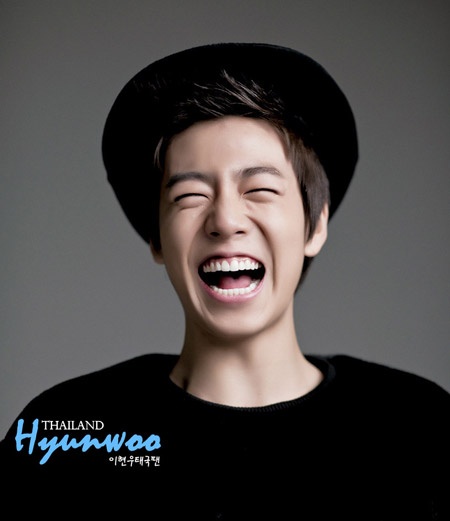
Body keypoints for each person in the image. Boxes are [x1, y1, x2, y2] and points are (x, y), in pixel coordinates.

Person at [1, 43, 449, 520]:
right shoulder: (65, 431)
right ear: (156, 238)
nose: (226, 220)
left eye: (260, 189)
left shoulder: (421, 426)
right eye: (190, 195)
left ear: (315, 226)